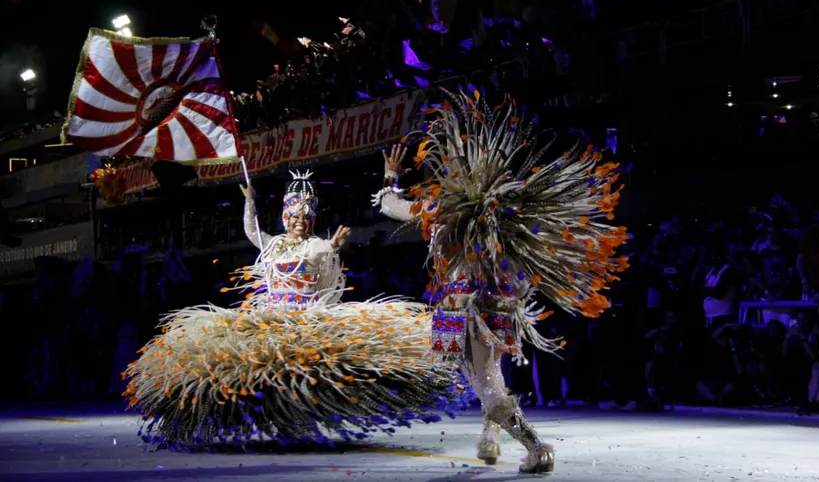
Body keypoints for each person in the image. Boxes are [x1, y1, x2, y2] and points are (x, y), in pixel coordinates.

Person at [372, 92, 629, 474]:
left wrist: (392, 178)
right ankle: (491, 434)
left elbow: (389, 205)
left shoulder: (475, 213)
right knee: (471, 374)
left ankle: (536, 447)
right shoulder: (444, 210)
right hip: (455, 307)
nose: (446, 178)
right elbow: (392, 207)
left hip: (475, 308)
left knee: (487, 382)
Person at [124, 171, 472, 449]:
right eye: (294, 216)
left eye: (305, 217)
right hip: (271, 318)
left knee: (304, 370)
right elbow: (251, 231)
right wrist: (249, 203)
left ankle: (300, 419)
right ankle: (275, 419)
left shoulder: (317, 244)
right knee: (260, 369)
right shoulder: (273, 244)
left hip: (307, 318)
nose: (300, 222)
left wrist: (333, 246)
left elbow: (323, 262)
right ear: (286, 217)